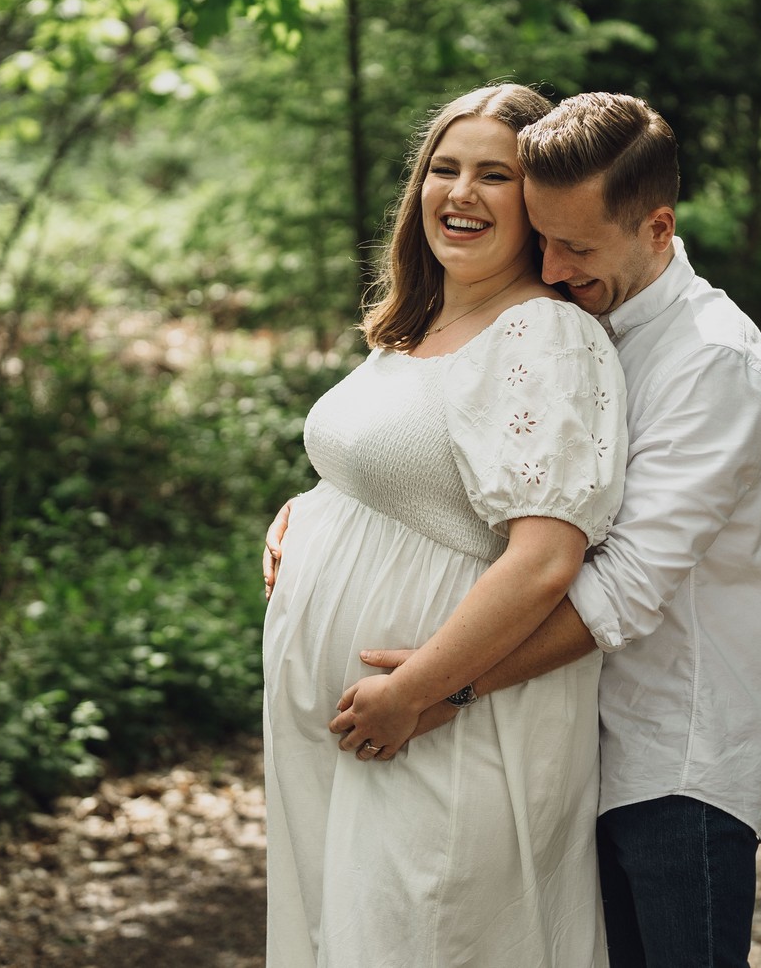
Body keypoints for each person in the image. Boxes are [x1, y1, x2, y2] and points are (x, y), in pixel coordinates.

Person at [274, 91, 761, 966]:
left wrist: (442, 689)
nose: (551, 265)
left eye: (575, 246)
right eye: (543, 237)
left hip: (673, 756)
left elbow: (615, 583)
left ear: (657, 227)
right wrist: (324, 510)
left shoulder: (712, 359)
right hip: (578, 738)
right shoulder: (593, 314)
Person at [261, 83, 627, 968]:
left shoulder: (543, 334)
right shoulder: (417, 325)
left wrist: (419, 687)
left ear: (536, 203)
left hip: (444, 727)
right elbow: (402, 473)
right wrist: (309, 512)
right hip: (354, 735)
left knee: (429, 939)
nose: (459, 193)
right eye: (445, 168)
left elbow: (547, 557)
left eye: (493, 176)